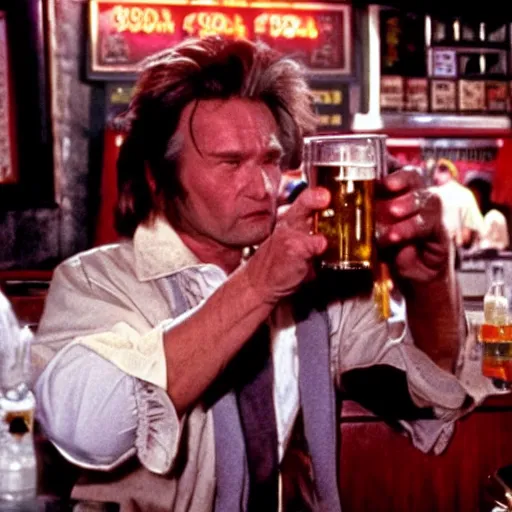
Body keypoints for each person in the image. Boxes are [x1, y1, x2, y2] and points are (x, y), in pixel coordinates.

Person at [33, 37, 494, 511]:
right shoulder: (97, 281)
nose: (262, 187)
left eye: (271, 159)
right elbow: (88, 428)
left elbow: (429, 393)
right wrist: (257, 286)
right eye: (231, 163)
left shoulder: (314, 290)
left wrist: (430, 282)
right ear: (158, 176)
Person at [431, 158, 485, 267]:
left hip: (432, 255)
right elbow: (473, 230)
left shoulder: (431, 193)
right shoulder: (465, 194)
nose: (434, 177)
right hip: (455, 256)